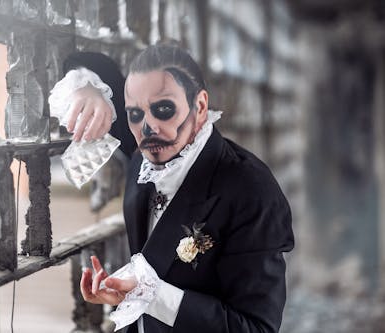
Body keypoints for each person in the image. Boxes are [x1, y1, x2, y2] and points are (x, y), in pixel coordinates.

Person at [51, 45, 294, 332]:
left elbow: (257, 328)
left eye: (164, 109)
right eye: (134, 114)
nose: (148, 127)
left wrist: (150, 294)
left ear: (200, 106)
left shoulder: (251, 189)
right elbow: (93, 62)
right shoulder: (146, 149)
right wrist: (89, 91)